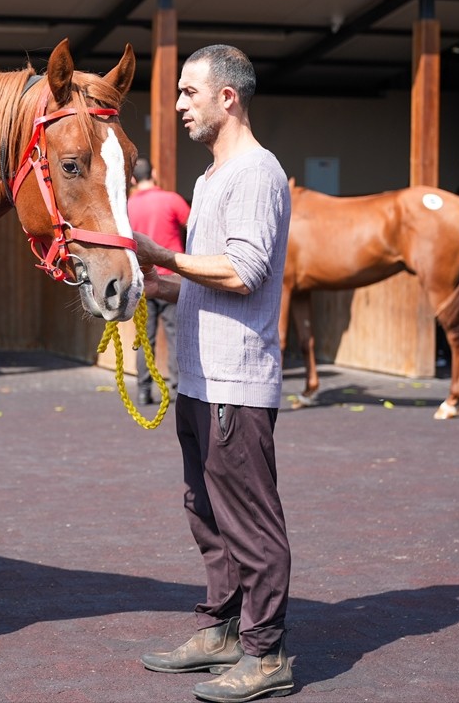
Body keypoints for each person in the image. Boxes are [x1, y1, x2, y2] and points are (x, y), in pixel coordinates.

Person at [134, 44, 294, 703]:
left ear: (228, 97)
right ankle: (223, 628)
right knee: (207, 513)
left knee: (251, 524)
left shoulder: (256, 172)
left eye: (187, 92)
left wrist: (164, 256)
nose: (177, 106)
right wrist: (155, 285)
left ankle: (268, 655)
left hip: (236, 384)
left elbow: (244, 270)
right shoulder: (208, 180)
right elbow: (212, 280)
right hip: (199, 382)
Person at [126, 156, 190, 406]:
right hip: (172, 279)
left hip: (142, 281)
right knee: (176, 336)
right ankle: (177, 389)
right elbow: (194, 225)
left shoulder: (127, 205)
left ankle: (143, 391)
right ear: (153, 173)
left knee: (144, 338)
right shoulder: (172, 199)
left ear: (132, 179)